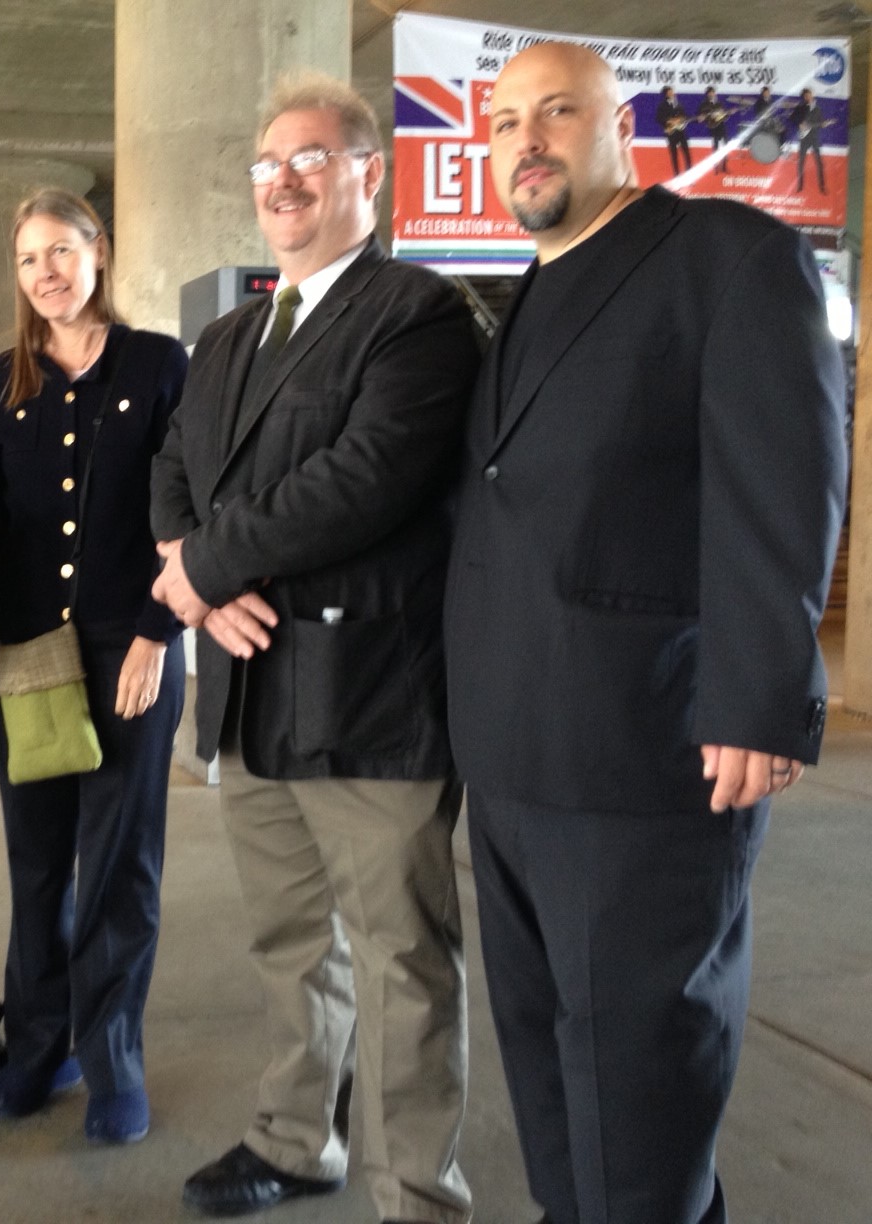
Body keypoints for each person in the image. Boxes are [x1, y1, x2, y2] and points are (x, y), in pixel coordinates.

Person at [447, 43, 846, 1224]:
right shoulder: (524, 295)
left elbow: (785, 483)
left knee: (641, 1092)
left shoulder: (725, 258)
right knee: (552, 1085)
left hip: (646, 759)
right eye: (507, 118)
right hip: (513, 763)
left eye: (558, 111)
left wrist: (760, 701)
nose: (528, 137)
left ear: (619, 128)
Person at [150, 72, 477, 1223]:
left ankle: (418, 1196)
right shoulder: (233, 332)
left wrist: (208, 566)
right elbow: (177, 472)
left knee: (402, 961)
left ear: (367, 176)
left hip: (374, 699)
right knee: (293, 941)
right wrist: (193, 579)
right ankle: (298, 1143)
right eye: (268, 166)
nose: (282, 181)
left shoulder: (419, 316)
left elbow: (363, 482)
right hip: (252, 694)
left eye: (311, 160)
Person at [0, 187, 189, 1144]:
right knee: (38, 866)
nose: (46, 275)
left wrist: (157, 629)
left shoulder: (155, 364)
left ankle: (112, 1063)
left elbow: (185, 508)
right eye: (28, 260)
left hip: (128, 645)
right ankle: (38, 1047)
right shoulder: (2, 379)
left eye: (60, 252)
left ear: (98, 251)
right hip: (27, 651)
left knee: (118, 867)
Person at [792, 89, 827, 195]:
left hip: (814, 138)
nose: (807, 97)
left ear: (812, 95)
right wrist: (799, 123)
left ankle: (822, 187)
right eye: (805, 96)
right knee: (801, 162)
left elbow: (821, 122)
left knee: (819, 163)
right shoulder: (800, 108)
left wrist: (823, 124)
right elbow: (792, 118)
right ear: (804, 98)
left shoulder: (818, 109)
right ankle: (800, 186)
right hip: (804, 138)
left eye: (809, 95)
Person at [656, 86, 691, 177]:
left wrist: (682, 119)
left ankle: (689, 173)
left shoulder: (678, 103)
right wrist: (669, 121)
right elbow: (659, 118)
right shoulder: (662, 105)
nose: (672, 93)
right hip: (671, 132)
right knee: (674, 154)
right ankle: (676, 175)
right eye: (669, 92)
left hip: (681, 131)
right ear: (666, 94)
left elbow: (684, 116)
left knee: (686, 152)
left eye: (672, 91)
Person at [695, 87, 730, 173]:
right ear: (707, 94)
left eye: (713, 92)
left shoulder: (719, 103)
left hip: (721, 126)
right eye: (710, 93)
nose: (711, 94)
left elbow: (724, 114)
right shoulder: (704, 104)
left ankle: (724, 166)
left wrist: (725, 116)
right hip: (713, 127)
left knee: (726, 146)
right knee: (716, 147)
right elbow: (700, 115)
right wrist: (706, 118)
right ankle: (716, 167)